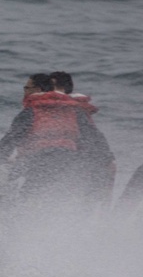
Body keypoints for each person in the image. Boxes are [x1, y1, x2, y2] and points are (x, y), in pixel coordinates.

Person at [0, 73, 113, 199]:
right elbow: (95, 139)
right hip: (70, 162)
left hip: (40, 161)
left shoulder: (31, 111)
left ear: (38, 90)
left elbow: (9, 141)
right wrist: (108, 162)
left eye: (27, 88)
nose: (24, 91)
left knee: (17, 187)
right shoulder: (75, 111)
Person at [49, 71, 116, 205]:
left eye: (50, 86)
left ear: (61, 89)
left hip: (86, 166)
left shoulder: (72, 111)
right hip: (89, 164)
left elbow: (92, 138)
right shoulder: (68, 109)